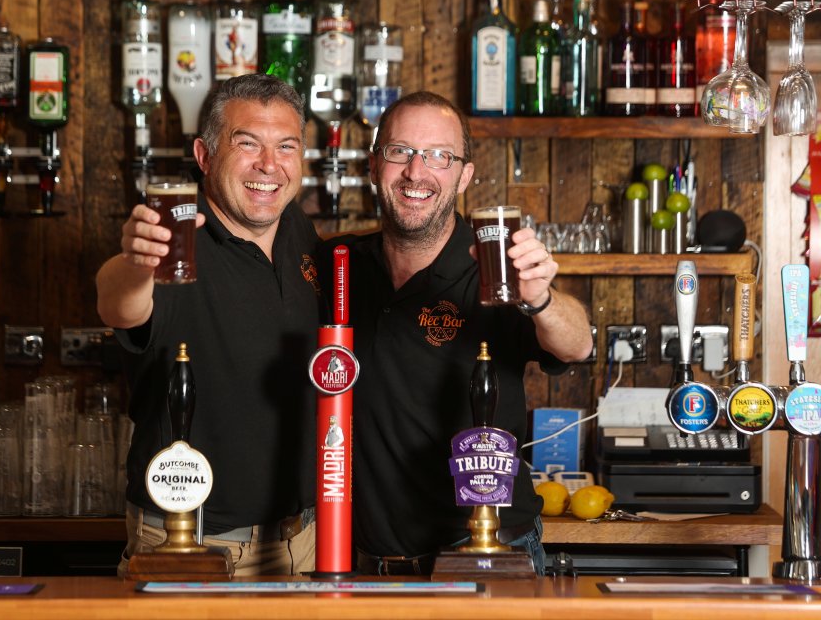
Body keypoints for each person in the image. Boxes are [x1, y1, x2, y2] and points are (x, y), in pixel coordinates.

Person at [320, 91, 593, 576]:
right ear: (373, 164)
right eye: (400, 151)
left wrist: (542, 299)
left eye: (439, 156)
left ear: (464, 175)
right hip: (367, 563)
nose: (416, 171)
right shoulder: (338, 264)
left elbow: (577, 344)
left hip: (488, 551)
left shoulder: (495, 270)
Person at [97, 74, 320, 577]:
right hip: (192, 545)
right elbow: (118, 302)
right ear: (204, 155)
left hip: (303, 542)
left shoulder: (299, 232)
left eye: (286, 146)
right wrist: (137, 262)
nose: (269, 165)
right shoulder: (176, 241)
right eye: (248, 144)